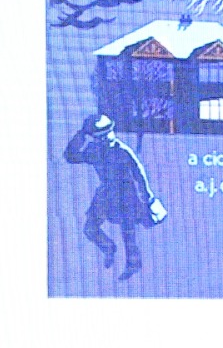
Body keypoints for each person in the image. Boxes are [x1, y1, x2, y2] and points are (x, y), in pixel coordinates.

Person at [63, 112, 166, 280]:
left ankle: (133, 265)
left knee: (128, 233)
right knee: (90, 228)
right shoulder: (93, 151)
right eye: (101, 135)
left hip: (126, 195)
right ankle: (108, 247)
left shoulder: (122, 151)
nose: (107, 137)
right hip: (106, 194)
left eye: (109, 132)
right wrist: (81, 135)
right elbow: (70, 156)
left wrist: (148, 198)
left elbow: (139, 174)